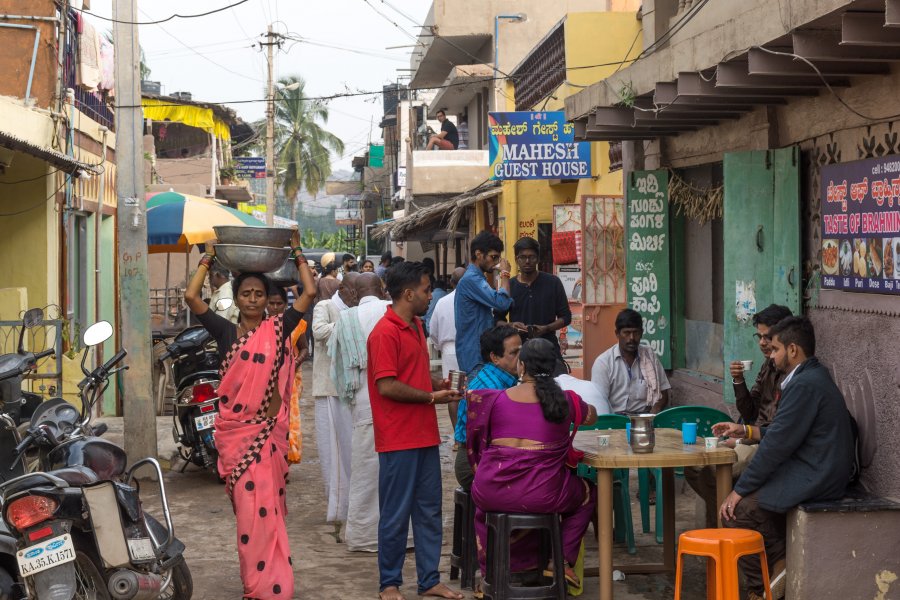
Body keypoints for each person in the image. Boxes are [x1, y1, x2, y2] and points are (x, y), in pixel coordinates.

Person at [183, 229, 316, 600]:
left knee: (268, 513)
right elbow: (192, 296)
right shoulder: (225, 333)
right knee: (248, 518)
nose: (254, 299)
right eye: (247, 293)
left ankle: (275, 585)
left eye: (259, 294)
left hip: (268, 438)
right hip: (236, 438)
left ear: (268, 299)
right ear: (236, 297)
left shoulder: (280, 328)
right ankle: (254, 585)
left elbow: (308, 292)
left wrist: (297, 250)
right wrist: (208, 257)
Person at [716, 316, 854, 600]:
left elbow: (778, 444)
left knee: (736, 512)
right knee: (749, 494)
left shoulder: (805, 384)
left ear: (793, 350)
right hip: (814, 465)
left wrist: (738, 492)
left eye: (776, 349)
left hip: (819, 472)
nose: (772, 355)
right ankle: (780, 566)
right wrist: (747, 430)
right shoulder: (808, 377)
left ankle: (762, 587)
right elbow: (782, 432)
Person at [468, 338, 598, 592]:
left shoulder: (494, 400)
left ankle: (491, 576)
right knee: (588, 492)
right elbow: (593, 416)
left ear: (521, 366)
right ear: (554, 368)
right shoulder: (566, 401)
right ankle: (560, 561)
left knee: (488, 509)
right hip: (542, 494)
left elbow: (475, 444)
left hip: (491, 490)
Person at [367, 261, 463, 600]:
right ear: (408, 293)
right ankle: (389, 584)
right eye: (425, 291)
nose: (429, 296)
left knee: (429, 511)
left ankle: (429, 580)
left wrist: (438, 386)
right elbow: (387, 386)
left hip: (424, 435)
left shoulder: (417, 326)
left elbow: (411, 376)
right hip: (398, 438)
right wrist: (431, 396)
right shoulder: (384, 332)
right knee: (395, 513)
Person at [685, 304, 793, 528]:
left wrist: (744, 437)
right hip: (749, 436)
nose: (763, 343)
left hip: (764, 443)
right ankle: (722, 522)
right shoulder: (767, 366)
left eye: (768, 337)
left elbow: (778, 429)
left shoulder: (792, 373)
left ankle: (726, 525)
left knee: (713, 471)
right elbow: (750, 411)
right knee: (694, 467)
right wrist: (738, 380)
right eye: (759, 337)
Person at [329, 273, 393, 552]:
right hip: (394, 395)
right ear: (382, 288)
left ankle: (365, 535)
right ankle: (402, 534)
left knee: (365, 469)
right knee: (396, 470)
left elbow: (339, 368)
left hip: (362, 398)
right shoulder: (392, 310)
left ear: (355, 292)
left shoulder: (347, 319)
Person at [311, 272, 360, 537]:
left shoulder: (355, 310)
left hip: (349, 388)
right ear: (342, 288)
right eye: (353, 290)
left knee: (350, 448)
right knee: (331, 450)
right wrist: (348, 325)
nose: (356, 296)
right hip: (329, 388)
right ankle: (338, 506)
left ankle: (351, 503)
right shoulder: (325, 306)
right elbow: (318, 332)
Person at [454, 325, 520, 490]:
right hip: (473, 462)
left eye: (522, 350)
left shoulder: (504, 379)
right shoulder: (490, 389)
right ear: (495, 357)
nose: (521, 357)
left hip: (487, 455)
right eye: (514, 353)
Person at [496, 237, 571, 373]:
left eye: (532, 257)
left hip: (549, 349)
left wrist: (546, 328)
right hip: (520, 352)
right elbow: (496, 320)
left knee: (557, 386)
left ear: (538, 258)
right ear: (516, 259)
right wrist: (511, 325)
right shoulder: (510, 286)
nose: (527, 261)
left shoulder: (553, 282)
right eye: (522, 257)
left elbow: (566, 317)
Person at [591, 308, 670, 415]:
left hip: (644, 418)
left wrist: (654, 411)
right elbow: (598, 401)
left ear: (641, 333)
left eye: (635, 333)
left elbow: (663, 393)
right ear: (617, 334)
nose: (631, 338)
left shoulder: (650, 357)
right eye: (626, 333)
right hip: (615, 419)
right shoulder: (604, 363)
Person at [455, 231, 513, 376]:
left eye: (498, 258)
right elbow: (502, 303)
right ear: (479, 254)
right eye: (493, 257)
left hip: (479, 354)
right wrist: (505, 274)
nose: (496, 263)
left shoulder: (477, 278)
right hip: (475, 357)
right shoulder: (472, 279)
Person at [267, 284, 309, 463]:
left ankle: (286, 458)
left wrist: (294, 363)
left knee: (288, 420)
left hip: (290, 380)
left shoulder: (295, 323)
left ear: (285, 304)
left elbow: (304, 349)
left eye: (279, 304)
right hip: (266, 380)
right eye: (272, 303)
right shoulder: (260, 324)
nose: (275, 307)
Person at [428, 267, 466, 438]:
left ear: (451, 283)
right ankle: (465, 436)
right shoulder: (474, 298)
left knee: (454, 393)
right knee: (470, 391)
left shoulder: (443, 302)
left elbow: (433, 330)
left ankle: (458, 437)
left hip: (450, 351)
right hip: (470, 350)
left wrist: (439, 347)